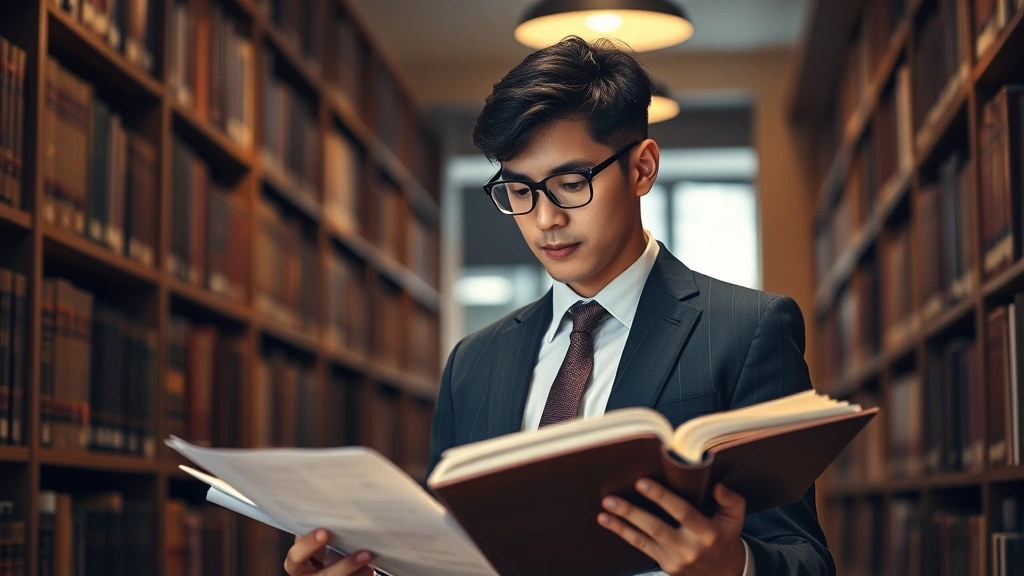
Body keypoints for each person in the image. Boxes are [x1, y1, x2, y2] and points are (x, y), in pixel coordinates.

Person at [284, 35, 836, 576]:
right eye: (520, 191)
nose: (545, 219)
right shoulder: (472, 363)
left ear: (642, 168)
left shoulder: (748, 330)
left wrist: (732, 567)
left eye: (571, 183)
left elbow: (805, 558)